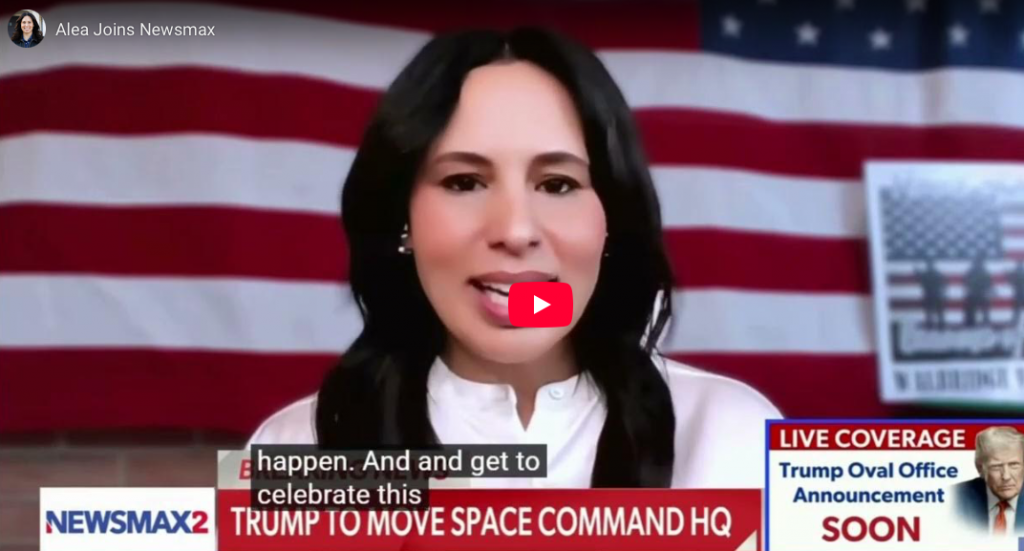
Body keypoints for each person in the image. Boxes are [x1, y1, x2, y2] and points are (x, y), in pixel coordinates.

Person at [248, 28, 781, 488]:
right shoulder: (293, 452)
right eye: (464, 182)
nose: (515, 231)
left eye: (557, 184)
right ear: (401, 219)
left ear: (612, 220)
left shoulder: (738, 437)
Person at [952, 426, 1024, 535]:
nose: (1006, 476)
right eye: (996, 466)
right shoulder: (954, 498)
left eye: (1014, 465)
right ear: (980, 468)